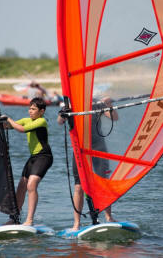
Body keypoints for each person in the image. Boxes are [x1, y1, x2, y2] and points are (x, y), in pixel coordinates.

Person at [57, 96, 118, 231]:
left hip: (98, 147)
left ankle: (108, 217)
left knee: (103, 182)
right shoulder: (70, 105)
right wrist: (64, 113)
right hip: (80, 150)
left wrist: (108, 105)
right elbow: (60, 121)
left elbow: (114, 117)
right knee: (79, 187)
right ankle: (76, 223)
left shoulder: (96, 104)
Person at [4, 97, 53, 226]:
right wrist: (1, 122)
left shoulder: (41, 121)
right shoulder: (26, 120)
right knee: (21, 187)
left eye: (33, 109)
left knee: (31, 185)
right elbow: (9, 126)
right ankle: (14, 218)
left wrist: (8, 118)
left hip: (44, 156)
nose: (30, 111)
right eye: (29, 108)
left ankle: (29, 220)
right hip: (33, 158)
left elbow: (21, 129)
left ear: (41, 111)